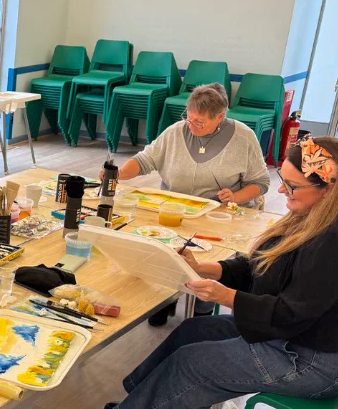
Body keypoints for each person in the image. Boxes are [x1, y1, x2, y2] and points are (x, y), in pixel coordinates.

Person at [89, 137, 338, 409]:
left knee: (194, 361)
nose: (283, 190)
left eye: (293, 186)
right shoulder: (312, 217)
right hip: (293, 338)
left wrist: (226, 296)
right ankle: (139, 399)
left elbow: (290, 314)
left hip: (317, 362)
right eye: (284, 180)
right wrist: (207, 268)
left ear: (331, 189)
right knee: (193, 331)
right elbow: (261, 266)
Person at [105, 83, 271, 324]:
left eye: (199, 122)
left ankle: (202, 307)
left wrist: (235, 198)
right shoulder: (175, 132)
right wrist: (118, 173)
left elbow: (260, 182)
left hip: (218, 216)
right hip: (175, 211)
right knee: (160, 251)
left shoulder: (243, 137)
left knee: (206, 260)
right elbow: (144, 160)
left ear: (220, 117)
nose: (191, 126)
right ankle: (164, 300)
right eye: (189, 118)